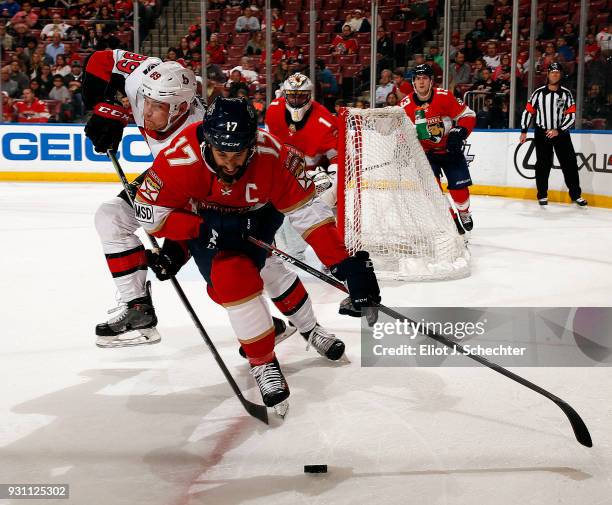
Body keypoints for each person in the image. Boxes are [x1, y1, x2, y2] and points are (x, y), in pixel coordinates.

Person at [133, 96, 381, 410]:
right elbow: (150, 216)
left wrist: (344, 264)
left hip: (259, 215)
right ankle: (277, 349)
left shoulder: (275, 156)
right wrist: (198, 232)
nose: (230, 164)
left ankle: (297, 338)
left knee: (244, 274)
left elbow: (308, 215)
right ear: (208, 142)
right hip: (205, 222)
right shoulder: (177, 159)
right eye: (222, 153)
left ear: (253, 144)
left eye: (239, 154)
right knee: (249, 277)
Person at [400, 64, 477, 233]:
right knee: (434, 191)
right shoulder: (405, 105)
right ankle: (452, 219)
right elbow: (401, 131)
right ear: (413, 82)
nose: (421, 82)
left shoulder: (444, 96)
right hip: (425, 155)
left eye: (424, 78)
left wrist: (460, 131)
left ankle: (463, 212)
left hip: (450, 150)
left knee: (460, 192)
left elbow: (468, 115)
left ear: (431, 81)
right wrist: (402, 147)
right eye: (417, 78)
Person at [519, 62, 587, 207]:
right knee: (543, 165)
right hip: (542, 133)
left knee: (570, 164)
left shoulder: (566, 94)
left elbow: (571, 115)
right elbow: (528, 112)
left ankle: (576, 195)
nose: (555, 74)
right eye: (552, 72)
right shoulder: (538, 93)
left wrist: (559, 130)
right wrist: (524, 130)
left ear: (560, 75)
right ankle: (542, 195)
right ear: (548, 74)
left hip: (561, 134)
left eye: (557, 72)